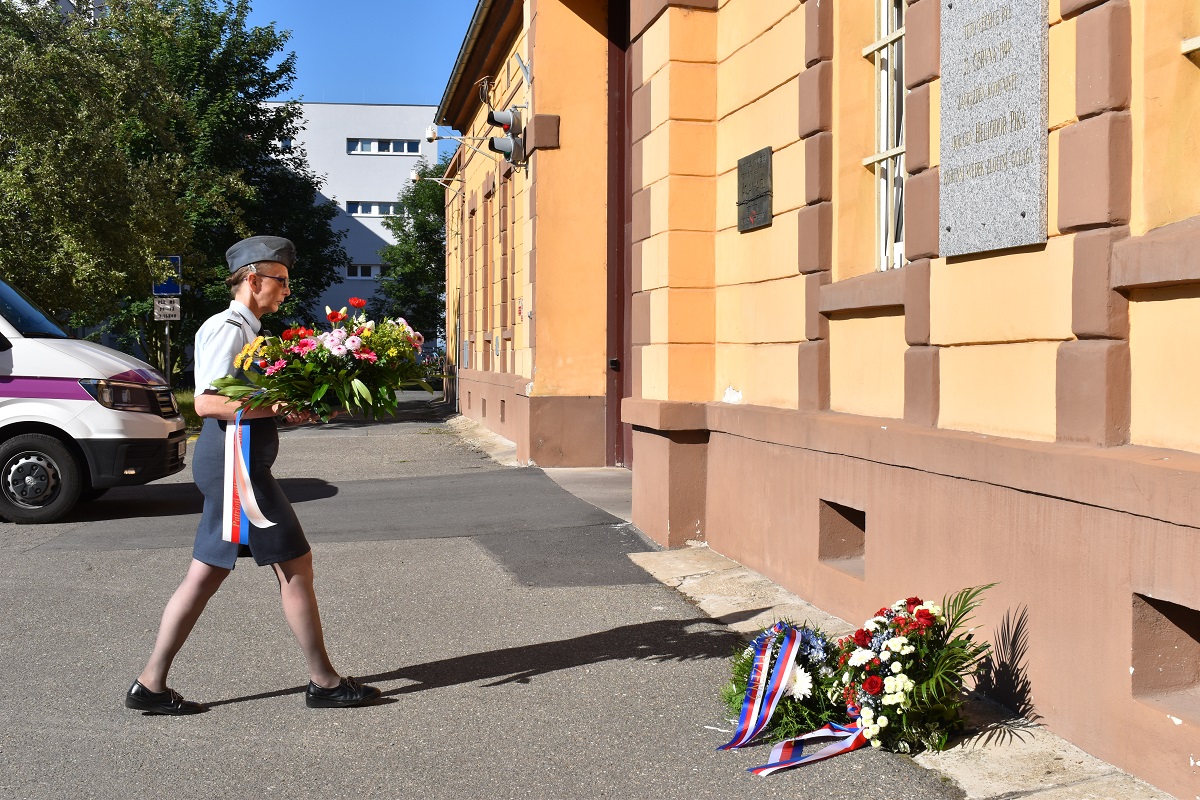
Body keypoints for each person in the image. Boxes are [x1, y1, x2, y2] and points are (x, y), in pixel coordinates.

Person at [125, 235, 380, 714]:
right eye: (279, 281)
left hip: (235, 463)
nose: (286, 291)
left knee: (205, 574)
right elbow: (208, 402)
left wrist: (286, 409)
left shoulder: (244, 328)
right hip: (236, 468)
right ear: (252, 278)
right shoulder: (228, 328)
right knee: (296, 565)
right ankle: (323, 682)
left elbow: (246, 403)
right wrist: (281, 405)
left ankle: (150, 685)